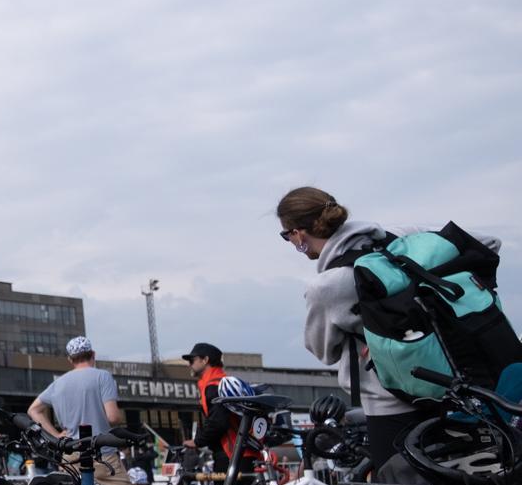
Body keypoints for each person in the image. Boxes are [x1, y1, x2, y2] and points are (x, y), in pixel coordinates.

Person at [275, 187, 503, 470]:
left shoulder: (328, 286)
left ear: (298, 234)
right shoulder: (404, 237)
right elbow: (489, 243)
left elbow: (323, 351)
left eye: (286, 236)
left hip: (391, 404)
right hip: (458, 385)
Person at [28, 335, 138, 485]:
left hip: (70, 458)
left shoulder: (58, 384)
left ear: (70, 359)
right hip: (102, 455)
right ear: (93, 355)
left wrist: (56, 435)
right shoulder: (102, 377)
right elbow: (113, 417)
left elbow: (34, 410)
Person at [183, 342, 241, 466]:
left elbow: (218, 422)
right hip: (240, 450)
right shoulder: (223, 382)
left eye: (192, 361)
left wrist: (198, 441)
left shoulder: (214, 386)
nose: (189, 365)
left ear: (205, 360)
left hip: (230, 452)